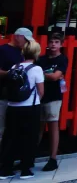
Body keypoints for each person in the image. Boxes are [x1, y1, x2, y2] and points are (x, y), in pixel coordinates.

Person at [0, 40, 45, 179]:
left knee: (10, 137)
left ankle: (5, 168)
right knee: (29, 137)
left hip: (12, 107)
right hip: (30, 107)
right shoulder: (37, 69)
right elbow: (41, 91)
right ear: (36, 53)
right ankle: (26, 169)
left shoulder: (14, 66)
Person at [37, 33, 68, 172]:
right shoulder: (41, 59)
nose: (53, 44)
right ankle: (29, 156)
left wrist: (41, 74)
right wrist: (47, 75)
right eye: (51, 42)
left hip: (54, 96)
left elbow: (55, 76)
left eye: (56, 42)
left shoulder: (62, 59)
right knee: (37, 127)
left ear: (61, 44)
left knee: (53, 125)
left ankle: (53, 158)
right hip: (38, 96)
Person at [0, 28, 31, 144]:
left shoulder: (23, 52)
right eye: (26, 39)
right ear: (18, 37)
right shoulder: (3, 50)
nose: (27, 42)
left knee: (13, 129)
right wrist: (10, 73)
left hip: (18, 97)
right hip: (3, 94)